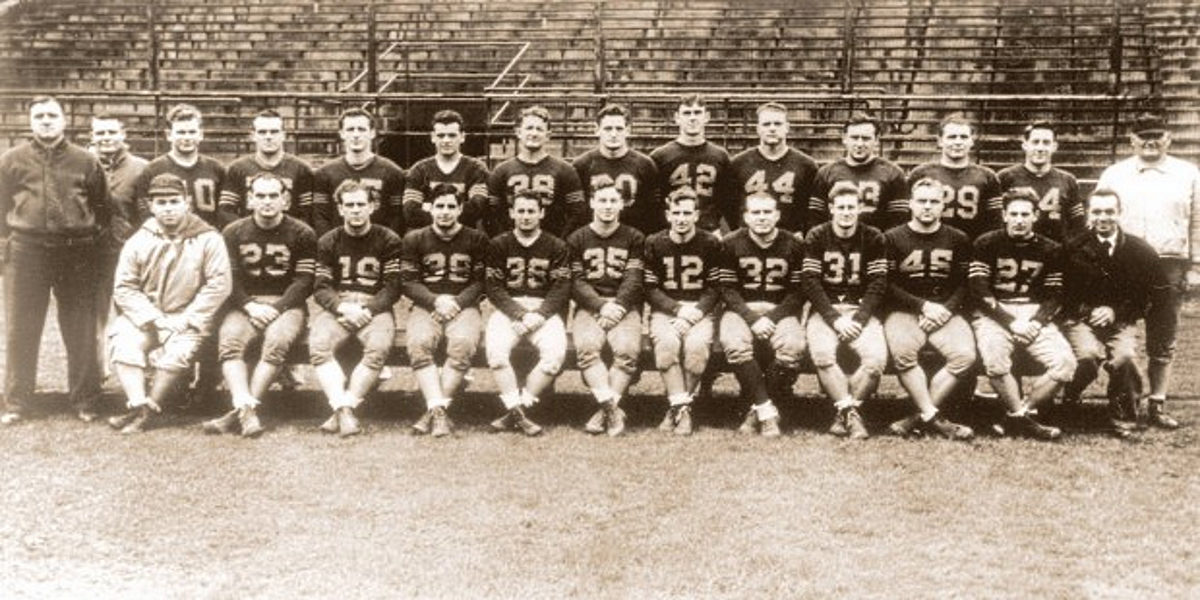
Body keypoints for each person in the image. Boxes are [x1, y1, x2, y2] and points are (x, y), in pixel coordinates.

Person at [0, 95, 111, 425]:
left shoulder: (86, 160)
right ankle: (18, 402)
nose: (46, 121)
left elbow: (103, 207)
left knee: (79, 327)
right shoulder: (11, 160)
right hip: (27, 250)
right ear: (30, 121)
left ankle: (85, 400)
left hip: (76, 251)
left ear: (64, 120)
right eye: (39, 116)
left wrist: (88, 241)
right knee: (22, 327)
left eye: (52, 115)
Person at [1095, 111, 1200, 429]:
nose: (1150, 141)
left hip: (1169, 263)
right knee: (1119, 334)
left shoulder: (1188, 173)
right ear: (1132, 140)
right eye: (1143, 136)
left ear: (1168, 138)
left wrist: (1196, 266)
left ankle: (1157, 403)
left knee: (1162, 337)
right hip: (1125, 264)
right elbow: (1097, 217)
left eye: (1157, 135)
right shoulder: (1115, 174)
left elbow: (1198, 221)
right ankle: (1123, 398)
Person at [105, 173, 231, 434]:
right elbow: (124, 287)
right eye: (161, 203)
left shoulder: (208, 238)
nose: (168, 208)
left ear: (187, 202)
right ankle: (139, 404)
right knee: (123, 342)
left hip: (189, 316)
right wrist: (154, 319)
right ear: (151, 206)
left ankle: (147, 411)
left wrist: (185, 319)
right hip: (147, 315)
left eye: (174, 201)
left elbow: (219, 285)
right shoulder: (139, 240)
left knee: (176, 353)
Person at [203, 173, 317, 438]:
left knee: (276, 344)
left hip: (287, 305)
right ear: (250, 199)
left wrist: (277, 308)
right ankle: (248, 412)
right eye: (261, 196)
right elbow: (228, 279)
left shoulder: (302, 232)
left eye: (273, 195)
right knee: (230, 343)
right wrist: (251, 306)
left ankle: (240, 411)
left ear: (285, 199)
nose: (267, 201)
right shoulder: (233, 231)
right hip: (245, 305)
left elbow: (304, 282)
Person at [969, 189, 1076, 440]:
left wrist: (1037, 322)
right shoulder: (986, 243)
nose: (1019, 219)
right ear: (1004, 215)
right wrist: (1010, 322)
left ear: (1036, 216)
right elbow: (978, 290)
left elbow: (1055, 294)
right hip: (994, 311)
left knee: (1065, 363)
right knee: (994, 357)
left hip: (1032, 312)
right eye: (1014, 214)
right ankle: (1025, 420)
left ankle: (1017, 416)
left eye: (1025, 214)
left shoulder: (1050, 249)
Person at [1061, 188, 1168, 436]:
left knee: (1125, 357)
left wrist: (1115, 311)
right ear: (1088, 214)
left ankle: (1123, 412)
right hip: (1081, 319)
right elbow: (1062, 293)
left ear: (1120, 213)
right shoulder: (1073, 248)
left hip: (1121, 320)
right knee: (1086, 356)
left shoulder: (1139, 250)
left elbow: (1148, 295)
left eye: (1110, 211)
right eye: (1097, 211)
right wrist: (1087, 312)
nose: (1103, 217)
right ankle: (1071, 394)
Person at [882, 178, 977, 440]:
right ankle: (934, 418)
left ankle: (917, 417)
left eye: (934, 201)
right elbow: (886, 285)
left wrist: (944, 309)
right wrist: (923, 306)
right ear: (911, 204)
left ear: (943, 206)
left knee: (965, 356)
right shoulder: (892, 237)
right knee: (903, 353)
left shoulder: (958, 238)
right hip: (905, 309)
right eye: (922, 201)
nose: (927, 207)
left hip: (945, 311)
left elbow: (964, 284)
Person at [309, 180, 403, 437]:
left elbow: (393, 287)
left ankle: (342, 409)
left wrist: (368, 310)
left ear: (372, 206)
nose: (355, 210)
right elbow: (321, 287)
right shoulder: (329, 240)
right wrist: (342, 308)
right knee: (319, 345)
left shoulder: (388, 239)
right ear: (340, 209)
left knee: (378, 349)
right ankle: (345, 410)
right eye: (349, 205)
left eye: (361, 204)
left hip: (374, 307)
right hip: (340, 306)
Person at [399, 183, 490, 438]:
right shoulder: (415, 238)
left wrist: (457, 303)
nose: (445, 212)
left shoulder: (477, 238)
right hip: (428, 305)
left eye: (451, 206)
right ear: (429, 208)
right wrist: (436, 301)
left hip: (464, 306)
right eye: (440, 206)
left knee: (462, 344)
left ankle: (433, 411)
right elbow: (408, 281)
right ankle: (439, 412)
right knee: (419, 343)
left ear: (461, 208)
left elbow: (481, 282)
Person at [801, 182, 889, 440]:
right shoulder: (817, 235)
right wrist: (835, 319)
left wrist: (859, 319)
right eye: (841, 207)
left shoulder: (873, 237)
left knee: (875, 361)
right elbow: (811, 282)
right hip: (827, 312)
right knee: (822, 355)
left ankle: (844, 412)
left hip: (860, 310)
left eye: (851, 207)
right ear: (831, 209)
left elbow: (878, 283)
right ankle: (851, 413)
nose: (846, 212)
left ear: (860, 208)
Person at [718, 192, 806, 437]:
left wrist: (772, 317)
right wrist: (753, 318)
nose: (762, 217)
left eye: (767, 212)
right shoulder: (730, 242)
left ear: (777, 215)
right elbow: (728, 290)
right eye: (756, 212)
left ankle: (754, 410)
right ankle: (767, 413)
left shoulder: (795, 244)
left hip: (779, 310)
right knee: (735, 344)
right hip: (741, 310)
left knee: (793, 346)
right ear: (746, 216)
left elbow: (798, 292)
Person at [484, 191, 572, 436]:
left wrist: (540, 315)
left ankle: (516, 410)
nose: (525, 216)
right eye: (520, 211)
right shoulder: (499, 244)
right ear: (511, 213)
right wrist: (520, 314)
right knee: (497, 353)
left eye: (531, 211)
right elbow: (493, 287)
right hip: (509, 310)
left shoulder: (556, 245)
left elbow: (561, 288)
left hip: (543, 310)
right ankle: (519, 414)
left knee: (554, 356)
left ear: (541, 213)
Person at [643, 186, 724, 435]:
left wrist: (695, 313)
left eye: (687, 213)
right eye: (676, 212)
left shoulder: (710, 243)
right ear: (668, 215)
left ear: (697, 215)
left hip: (699, 312)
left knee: (697, 350)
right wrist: (677, 309)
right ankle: (683, 409)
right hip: (667, 311)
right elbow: (650, 287)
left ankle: (676, 408)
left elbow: (714, 287)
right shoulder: (655, 242)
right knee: (666, 346)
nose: (681, 218)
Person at [568, 182, 645, 436]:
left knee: (627, 351)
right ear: (592, 202)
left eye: (613, 201)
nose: (608, 207)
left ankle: (604, 411)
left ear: (622, 204)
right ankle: (612, 411)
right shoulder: (577, 237)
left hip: (624, 307)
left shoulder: (634, 237)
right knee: (587, 350)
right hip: (590, 306)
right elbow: (576, 282)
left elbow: (634, 278)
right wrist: (601, 306)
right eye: (602, 200)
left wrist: (618, 306)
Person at [90, 112, 147, 389]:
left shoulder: (140, 168)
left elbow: (147, 214)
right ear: (93, 136)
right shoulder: (83, 164)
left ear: (123, 135)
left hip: (130, 253)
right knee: (94, 316)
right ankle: (97, 372)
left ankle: (140, 373)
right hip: (90, 253)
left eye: (111, 132)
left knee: (135, 314)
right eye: (100, 133)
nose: (106, 138)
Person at [486, 105, 585, 238]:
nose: (533, 133)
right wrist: (505, 243)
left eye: (539, 129)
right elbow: (492, 214)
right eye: (529, 128)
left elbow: (577, 213)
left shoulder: (565, 170)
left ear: (548, 135)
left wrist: (560, 244)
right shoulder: (501, 171)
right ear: (518, 132)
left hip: (552, 246)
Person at [907, 113, 1002, 240]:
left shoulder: (987, 176)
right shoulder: (920, 174)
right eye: (952, 137)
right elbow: (907, 217)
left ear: (971, 141)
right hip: (931, 245)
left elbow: (994, 223)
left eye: (963, 137)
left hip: (973, 245)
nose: (958, 142)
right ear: (940, 141)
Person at [312, 108, 406, 237]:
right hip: (337, 247)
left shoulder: (392, 172)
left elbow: (396, 217)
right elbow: (320, 217)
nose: (356, 135)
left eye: (361, 129)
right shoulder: (325, 173)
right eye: (350, 129)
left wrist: (385, 245)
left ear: (372, 133)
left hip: (379, 247)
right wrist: (331, 245)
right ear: (342, 133)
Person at [129, 103, 226, 228]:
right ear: (169, 135)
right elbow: (144, 211)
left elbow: (224, 211)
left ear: (201, 134)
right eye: (181, 132)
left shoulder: (216, 168)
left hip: (207, 239)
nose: (187, 137)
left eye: (192, 132)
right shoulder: (153, 170)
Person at [729, 102, 819, 235]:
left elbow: (811, 211)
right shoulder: (738, 163)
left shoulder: (806, 165)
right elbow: (729, 207)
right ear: (758, 128)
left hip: (790, 241)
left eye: (777, 124)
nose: (772, 128)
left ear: (787, 127)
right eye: (766, 124)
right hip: (749, 241)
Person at [573, 104, 661, 234]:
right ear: (597, 129)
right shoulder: (582, 165)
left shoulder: (645, 165)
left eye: (619, 129)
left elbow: (654, 212)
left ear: (628, 130)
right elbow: (576, 212)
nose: (613, 134)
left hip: (634, 241)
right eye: (608, 128)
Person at [650, 94, 733, 233]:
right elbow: (653, 203)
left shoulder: (720, 156)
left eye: (697, 113)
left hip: (709, 231)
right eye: (687, 113)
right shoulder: (660, 156)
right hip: (672, 233)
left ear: (707, 117)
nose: (692, 118)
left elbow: (727, 200)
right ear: (677, 117)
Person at [813, 112, 908, 231]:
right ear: (844, 139)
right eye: (854, 138)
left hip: (876, 245)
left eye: (866, 138)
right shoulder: (826, 173)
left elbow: (898, 223)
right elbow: (815, 219)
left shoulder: (893, 174)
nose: (859, 144)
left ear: (876, 140)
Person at [220, 108, 315, 227]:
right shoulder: (237, 168)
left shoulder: (301, 169)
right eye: (262, 132)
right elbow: (226, 211)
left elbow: (307, 213)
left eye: (274, 132)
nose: (268, 136)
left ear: (283, 135)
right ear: (253, 136)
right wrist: (244, 233)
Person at [402, 109, 490, 231]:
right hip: (428, 241)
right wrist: (458, 209)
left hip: (464, 239)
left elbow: (476, 209)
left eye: (452, 135)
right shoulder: (419, 169)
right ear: (433, 137)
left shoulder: (476, 168)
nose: (446, 140)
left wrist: (429, 207)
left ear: (462, 137)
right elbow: (411, 213)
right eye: (441, 135)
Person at [997, 121, 1083, 243]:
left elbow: (1077, 224)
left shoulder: (1068, 180)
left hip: (1054, 252)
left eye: (1046, 143)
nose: (1040, 148)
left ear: (1054, 147)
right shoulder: (1005, 177)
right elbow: (996, 219)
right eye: (1035, 142)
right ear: (1025, 145)